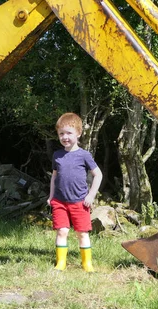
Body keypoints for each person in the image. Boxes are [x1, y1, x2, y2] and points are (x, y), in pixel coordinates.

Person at [47, 112, 102, 272]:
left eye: (69, 133)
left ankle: (87, 263)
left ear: (78, 133)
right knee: (62, 231)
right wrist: (51, 197)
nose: (65, 137)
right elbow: (54, 177)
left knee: (82, 233)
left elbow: (98, 174)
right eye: (61, 134)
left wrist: (91, 195)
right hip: (60, 202)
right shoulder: (57, 155)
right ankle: (61, 263)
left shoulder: (84, 155)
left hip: (80, 202)